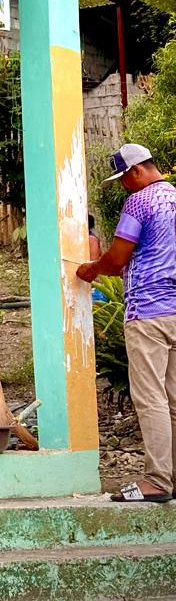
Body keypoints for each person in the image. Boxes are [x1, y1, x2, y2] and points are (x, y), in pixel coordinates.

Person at [77, 143, 176, 503]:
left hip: (148, 312)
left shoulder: (139, 202)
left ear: (137, 170)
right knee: (174, 400)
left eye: (123, 178)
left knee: (151, 398)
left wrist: (92, 269)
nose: (122, 185)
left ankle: (157, 481)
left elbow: (118, 258)